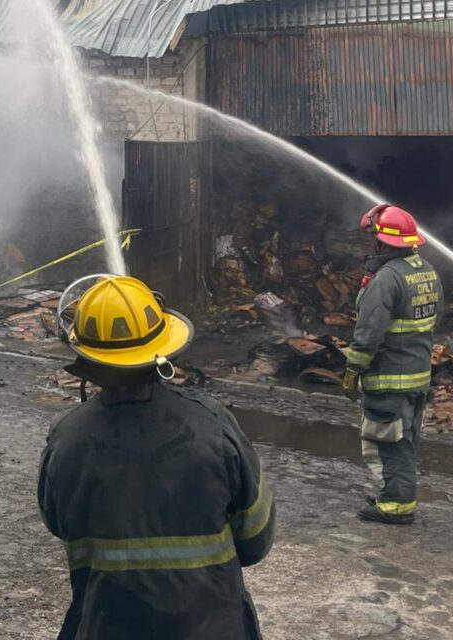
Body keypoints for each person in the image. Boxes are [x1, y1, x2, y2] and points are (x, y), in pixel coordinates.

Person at [38, 274, 275, 640]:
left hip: (105, 626)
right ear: (163, 349)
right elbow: (256, 537)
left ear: (87, 357)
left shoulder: (66, 438)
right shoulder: (214, 425)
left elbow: (58, 523)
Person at [343, 204, 443, 525]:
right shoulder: (426, 271)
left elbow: (369, 332)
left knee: (389, 442)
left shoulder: (387, 278)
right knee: (405, 439)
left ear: (382, 242)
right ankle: (393, 493)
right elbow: (435, 317)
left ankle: (396, 505)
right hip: (417, 376)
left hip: (389, 379)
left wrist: (353, 369)